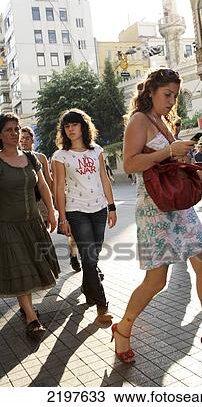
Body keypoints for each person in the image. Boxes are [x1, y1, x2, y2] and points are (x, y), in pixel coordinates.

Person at [111, 68, 202, 366]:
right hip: (154, 207)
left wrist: (185, 160)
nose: (172, 101)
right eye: (167, 94)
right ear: (150, 92)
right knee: (157, 280)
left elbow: (167, 160)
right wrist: (168, 150)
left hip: (178, 205)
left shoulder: (165, 120)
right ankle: (124, 327)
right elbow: (130, 163)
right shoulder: (139, 120)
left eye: (175, 96)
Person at [52, 108, 117, 323]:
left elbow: (104, 179)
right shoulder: (60, 155)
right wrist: (63, 218)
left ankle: (88, 288)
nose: (70, 129)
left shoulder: (96, 150)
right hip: (76, 210)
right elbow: (59, 187)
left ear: (83, 127)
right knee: (89, 258)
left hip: (99, 209)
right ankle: (102, 304)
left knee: (93, 256)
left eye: (74, 125)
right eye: (67, 126)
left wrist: (112, 206)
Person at [0, 113, 60, 337]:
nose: (15, 133)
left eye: (17, 129)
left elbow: (43, 186)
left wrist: (52, 212)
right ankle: (31, 318)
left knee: (35, 265)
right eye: (9, 129)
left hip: (33, 223)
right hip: (7, 226)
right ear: (0, 134)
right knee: (21, 268)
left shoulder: (31, 158)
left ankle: (28, 310)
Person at [51, 159, 81, 273]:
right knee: (73, 236)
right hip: (68, 202)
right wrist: (58, 202)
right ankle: (74, 256)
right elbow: (56, 183)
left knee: (87, 237)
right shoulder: (58, 158)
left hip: (84, 201)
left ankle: (91, 264)